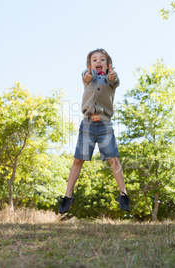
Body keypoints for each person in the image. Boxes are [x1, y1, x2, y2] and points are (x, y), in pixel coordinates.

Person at [59, 48, 130, 214]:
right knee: (78, 160)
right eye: (94, 60)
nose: (98, 62)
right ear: (89, 65)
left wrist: (112, 75)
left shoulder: (111, 79)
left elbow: (115, 79)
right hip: (88, 125)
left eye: (102, 60)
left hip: (105, 126)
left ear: (108, 64)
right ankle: (68, 196)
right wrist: (89, 74)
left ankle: (123, 194)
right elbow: (86, 76)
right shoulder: (87, 78)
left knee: (114, 159)